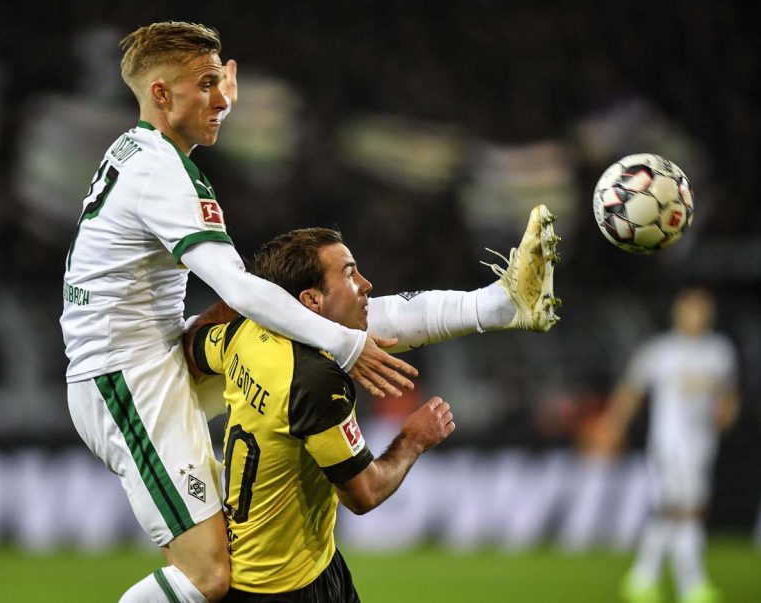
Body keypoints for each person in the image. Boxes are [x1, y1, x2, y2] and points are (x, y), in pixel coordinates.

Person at [61, 21, 560, 602]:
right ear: (161, 95)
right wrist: (348, 349)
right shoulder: (161, 174)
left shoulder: (146, 149)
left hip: (163, 351)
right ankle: (496, 307)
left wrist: (210, 93)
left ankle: (501, 305)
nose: (221, 99)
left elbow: (250, 301)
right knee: (208, 575)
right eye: (205, 85)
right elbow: (241, 288)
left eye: (223, 82)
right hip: (127, 381)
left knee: (332, 317)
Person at [185, 228, 455, 601]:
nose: (366, 284)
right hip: (286, 586)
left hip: (294, 564)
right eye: (349, 273)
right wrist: (414, 439)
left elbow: (193, 345)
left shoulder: (243, 334)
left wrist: (245, 298)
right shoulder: (314, 380)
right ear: (310, 300)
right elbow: (364, 493)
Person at [598, 288, 739, 603]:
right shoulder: (660, 351)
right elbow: (631, 390)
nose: (696, 315)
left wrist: (727, 413)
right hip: (668, 444)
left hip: (702, 445)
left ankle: (641, 578)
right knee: (688, 511)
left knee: (668, 512)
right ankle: (692, 585)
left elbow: (728, 398)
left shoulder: (719, 352)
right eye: (690, 309)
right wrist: (613, 424)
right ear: (678, 313)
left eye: (701, 309)